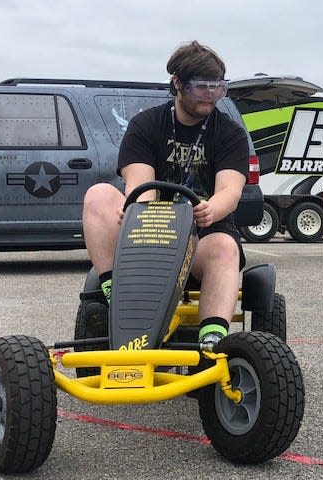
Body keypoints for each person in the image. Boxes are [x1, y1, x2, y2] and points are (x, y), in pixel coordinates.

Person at [82, 41, 249, 348]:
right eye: (202, 87)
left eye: (219, 88)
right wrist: (134, 211)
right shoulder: (146, 125)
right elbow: (139, 184)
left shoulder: (229, 133)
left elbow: (230, 190)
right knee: (99, 195)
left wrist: (210, 209)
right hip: (150, 234)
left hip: (202, 234)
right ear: (178, 84)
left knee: (226, 247)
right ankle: (114, 289)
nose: (211, 95)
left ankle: (213, 342)